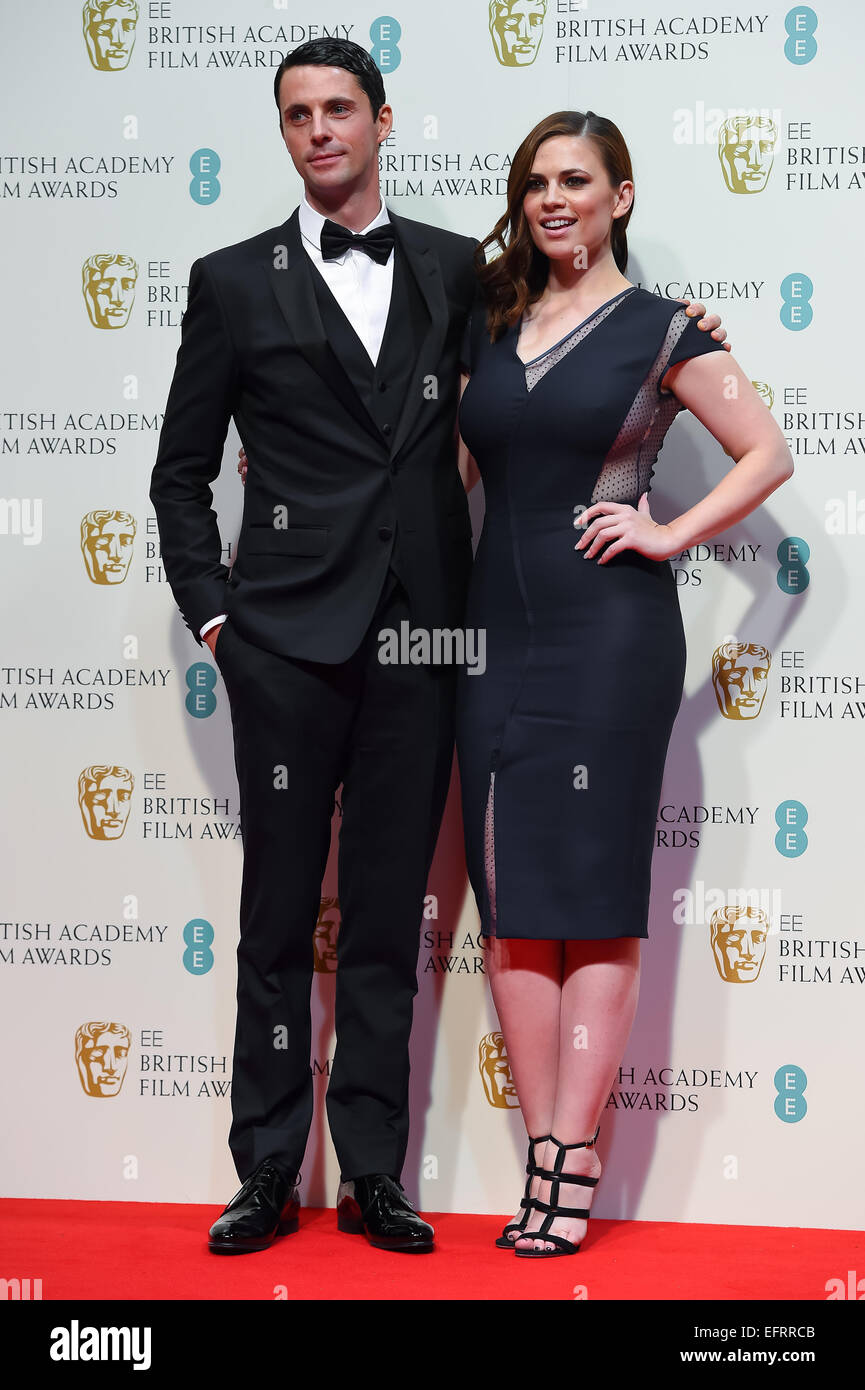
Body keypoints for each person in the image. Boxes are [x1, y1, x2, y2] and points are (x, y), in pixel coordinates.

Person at [149, 37, 481, 1255]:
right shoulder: (232, 280)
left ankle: (377, 1170)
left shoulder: (453, 268)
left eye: (340, 108)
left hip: (422, 637)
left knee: (390, 916)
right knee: (277, 916)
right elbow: (181, 475)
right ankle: (269, 1167)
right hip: (284, 643)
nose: (319, 129)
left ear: (383, 119)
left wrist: (672, 342)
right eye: (297, 113)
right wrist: (219, 618)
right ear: (282, 132)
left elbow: (528, 394)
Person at [454, 109, 793, 1257]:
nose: (554, 200)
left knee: (593, 904)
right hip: (491, 639)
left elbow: (768, 451)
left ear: (621, 195)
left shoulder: (662, 331)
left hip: (609, 638)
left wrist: (668, 532)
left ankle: (570, 1156)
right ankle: (540, 1146)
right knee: (510, 913)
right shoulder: (492, 318)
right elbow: (450, 464)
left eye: (576, 181)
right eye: (536, 182)